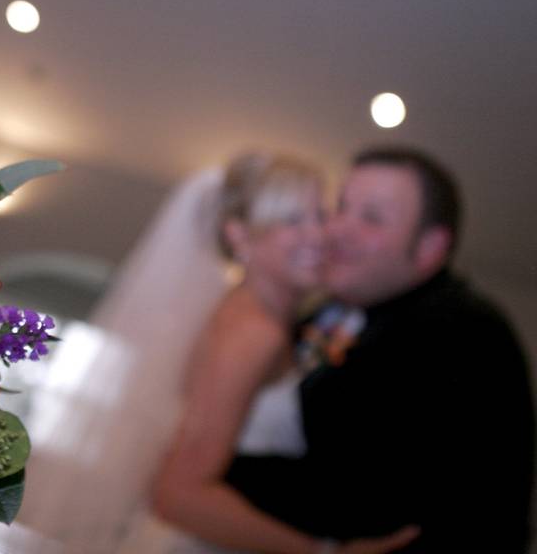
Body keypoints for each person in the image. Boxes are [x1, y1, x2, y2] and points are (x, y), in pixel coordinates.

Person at [225, 147, 535, 552]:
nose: (336, 229)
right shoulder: (332, 310)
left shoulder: (462, 331)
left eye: (371, 218)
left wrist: (219, 473)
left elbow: (368, 493)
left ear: (429, 248)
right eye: (341, 207)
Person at [144, 151, 417, 554]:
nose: (319, 235)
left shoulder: (248, 314)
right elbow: (176, 494)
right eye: (292, 220)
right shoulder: (254, 331)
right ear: (239, 235)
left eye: (320, 215)